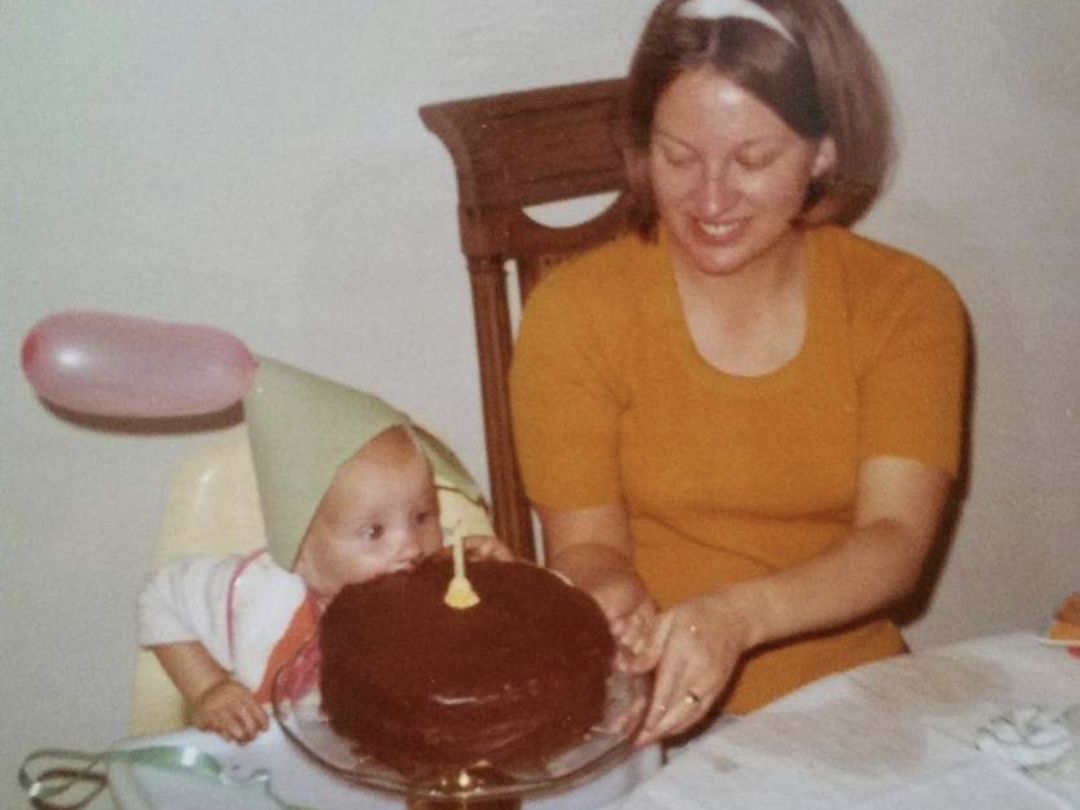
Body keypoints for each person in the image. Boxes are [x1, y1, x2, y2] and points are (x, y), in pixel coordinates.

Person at [510, 0, 968, 747]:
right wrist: (607, 595)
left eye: (752, 159)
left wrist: (736, 616)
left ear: (823, 151)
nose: (711, 199)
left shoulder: (905, 303)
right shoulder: (575, 312)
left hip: (855, 696)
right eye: (678, 157)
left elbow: (894, 541)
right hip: (658, 704)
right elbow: (587, 548)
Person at [139, 359, 508, 744]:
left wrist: (507, 584)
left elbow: (515, 654)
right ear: (300, 552)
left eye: (421, 516)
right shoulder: (258, 591)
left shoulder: (450, 573)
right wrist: (208, 689)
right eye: (373, 531)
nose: (413, 547)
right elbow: (162, 598)